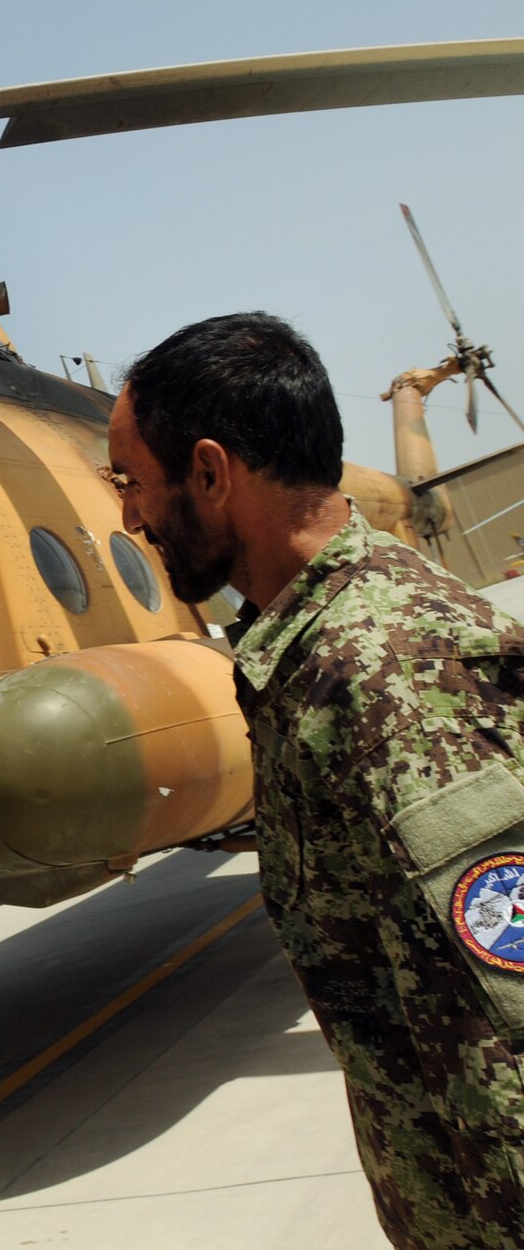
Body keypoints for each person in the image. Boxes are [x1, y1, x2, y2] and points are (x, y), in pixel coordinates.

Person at [107, 311, 524, 1250]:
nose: (128, 514)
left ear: (211, 474)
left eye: (134, 481)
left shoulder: (386, 671)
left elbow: (510, 1034)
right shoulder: (309, 649)